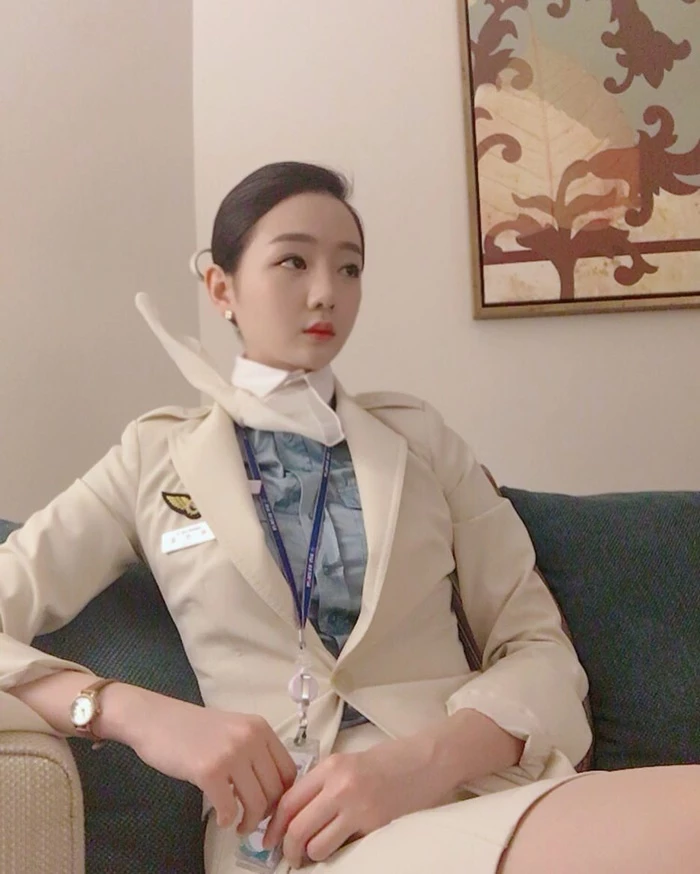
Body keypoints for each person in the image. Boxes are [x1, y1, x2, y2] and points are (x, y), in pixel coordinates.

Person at [1, 162, 698, 874]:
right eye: (293, 261)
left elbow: (539, 647)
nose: (325, 292)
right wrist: (129, 713)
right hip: (294, 832)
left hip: (469, 789)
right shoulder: (152, 459)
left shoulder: (419, 441)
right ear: (220, 286)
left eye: (350, 267)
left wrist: (422, 763)